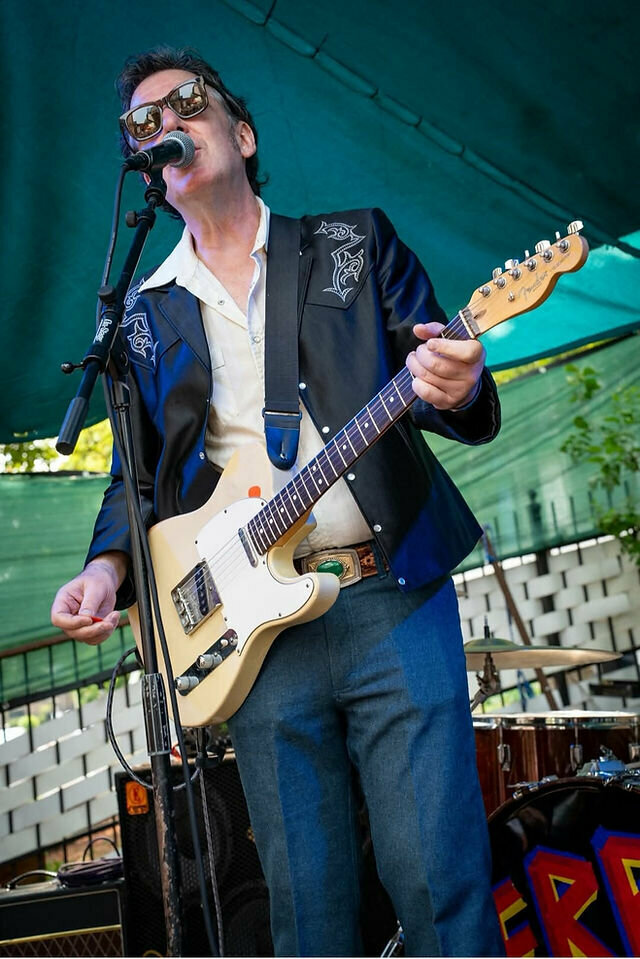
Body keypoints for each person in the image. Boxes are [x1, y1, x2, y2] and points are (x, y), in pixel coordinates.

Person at [51, 46, 504, 957]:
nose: (167, 126)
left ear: (243, 134)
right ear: (150, 175)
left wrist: (457, 385)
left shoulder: (352, 245)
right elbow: (136, 477)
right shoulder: (142, 315)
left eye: (189, 103)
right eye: (144, 125)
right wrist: (106, 567)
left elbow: (444, 388)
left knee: (437, 879)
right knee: (305, 906)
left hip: (389, 595)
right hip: (255, 635)